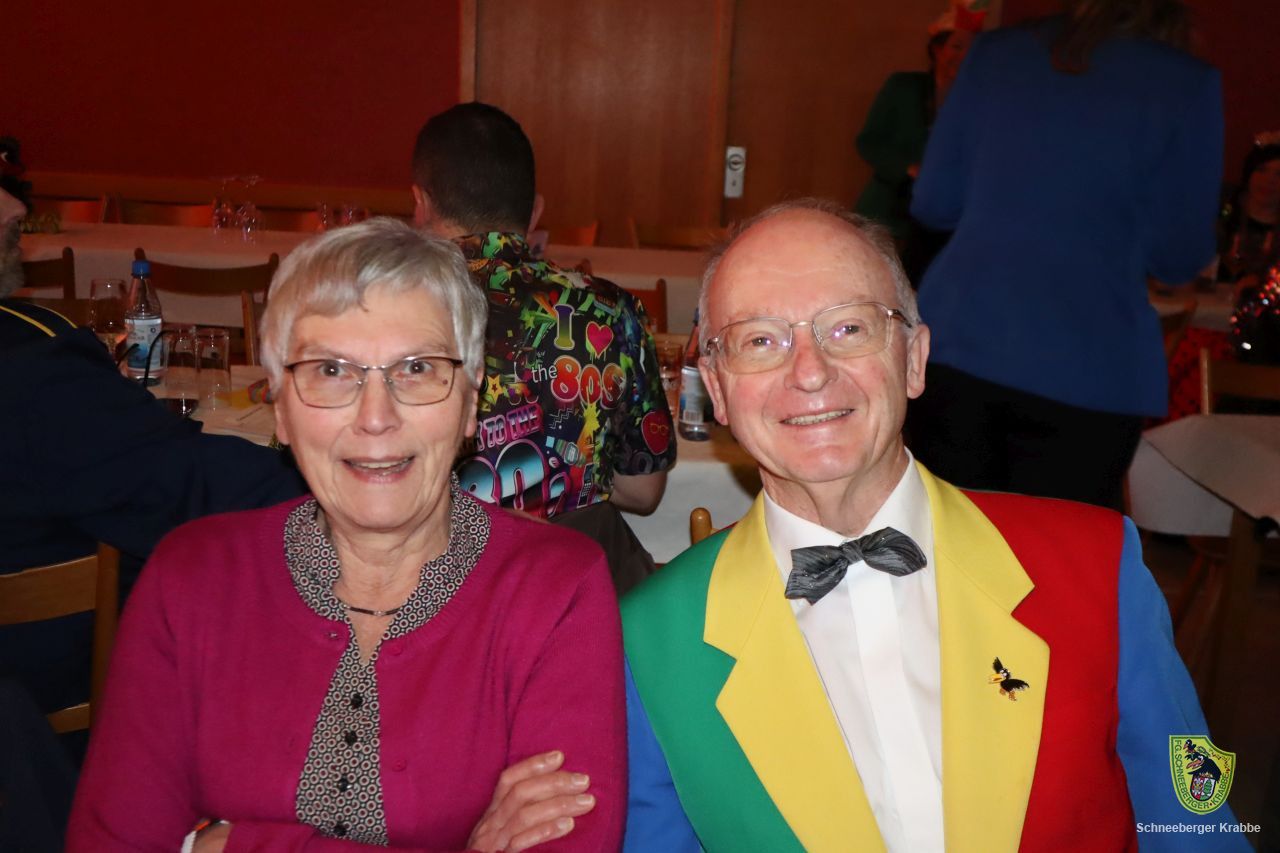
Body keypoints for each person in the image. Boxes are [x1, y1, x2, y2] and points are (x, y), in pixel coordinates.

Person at [622, 200, 1244, 852]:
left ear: (914, 359)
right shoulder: (651, 640)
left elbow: (1196, 828)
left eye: (849, 328)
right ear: (717, 388)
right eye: (760, 340)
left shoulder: (1097, 566)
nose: (809, 371)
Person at [68, 220, 626, 851]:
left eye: (417, 367)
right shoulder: (191, 578)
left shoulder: (555, 589)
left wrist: (226, 845)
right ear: (280, 408)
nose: (375, 417)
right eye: (332, 369)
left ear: (470, 403)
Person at [0, 178, 307, 717]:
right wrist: (353, 490)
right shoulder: (32, 368)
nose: (15, 207)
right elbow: (187, 483)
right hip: (48, 714)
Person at [906, 0, 1223, 510]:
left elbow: (934, 202)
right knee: (1059, 551)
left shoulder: (997, 53)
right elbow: (1178, 256)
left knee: (945, 543)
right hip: (1089, 363)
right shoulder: (1186, 83)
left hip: (962, 342)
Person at [412, 102, 675, 593]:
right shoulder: (610, 310)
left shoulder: (389, 305)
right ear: (535, 211)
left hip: (430, 588)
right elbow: (643, 491)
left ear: (421, 204)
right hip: (575, 591)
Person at [853, 0, 984, 282]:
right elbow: (868, 142)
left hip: (943, 226)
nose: (962, 57)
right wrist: (909, 168)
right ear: (937, 49)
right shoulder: (904, 86)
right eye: (956, 47)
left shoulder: (979, 101)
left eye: (972, 50)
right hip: (889, 212)